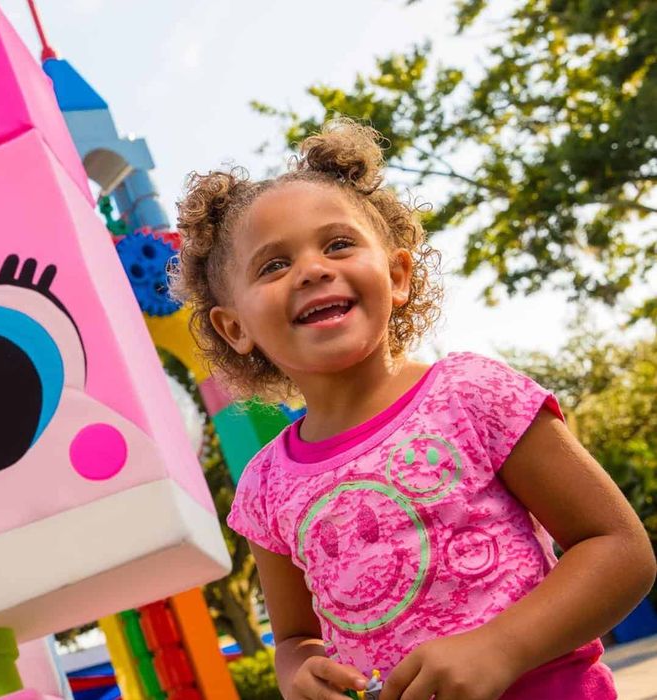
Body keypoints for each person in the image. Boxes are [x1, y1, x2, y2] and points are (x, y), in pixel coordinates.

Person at [170, 118, 656, 700]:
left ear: (397, 275)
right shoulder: (264, 488)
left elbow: (620, 550)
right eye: (273, 265)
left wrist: (503, 645)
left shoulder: (474, 394)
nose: (313, 268)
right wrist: (300, 673)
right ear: (235, 327)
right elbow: (296, 638)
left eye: (338, 244)